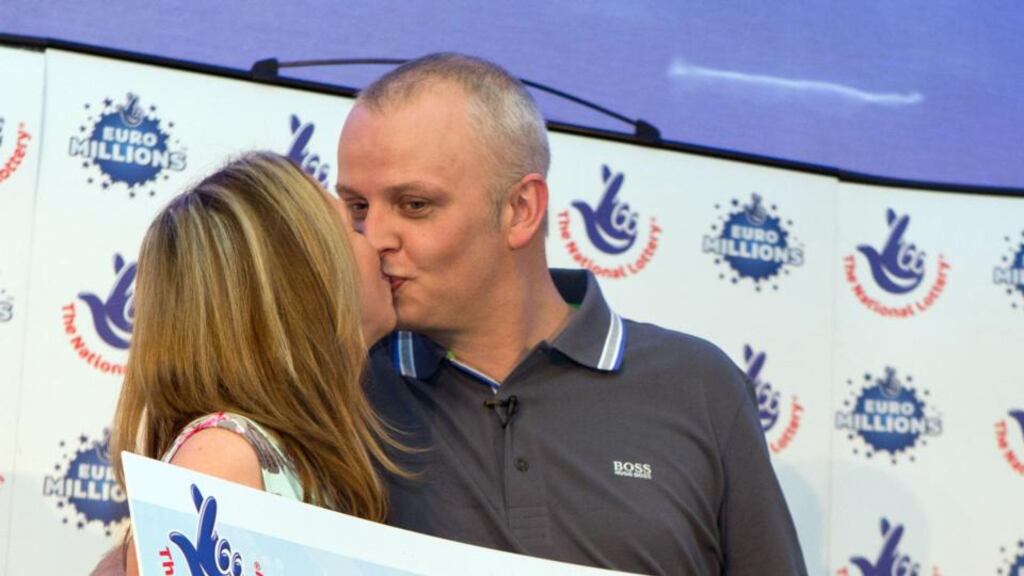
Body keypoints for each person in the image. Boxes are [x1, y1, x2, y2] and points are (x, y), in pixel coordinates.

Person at [336, 53, 808, 575]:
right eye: (357, 207)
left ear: (520, 210)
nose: (373, 237)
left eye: (414, 204)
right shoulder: (342, 388)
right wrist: (332, 356)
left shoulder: (700, 387)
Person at [92, 151, 405, 575]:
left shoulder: (280, 454)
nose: (379, 241)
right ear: (306, 280)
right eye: (353, 225)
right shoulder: (223, 458)